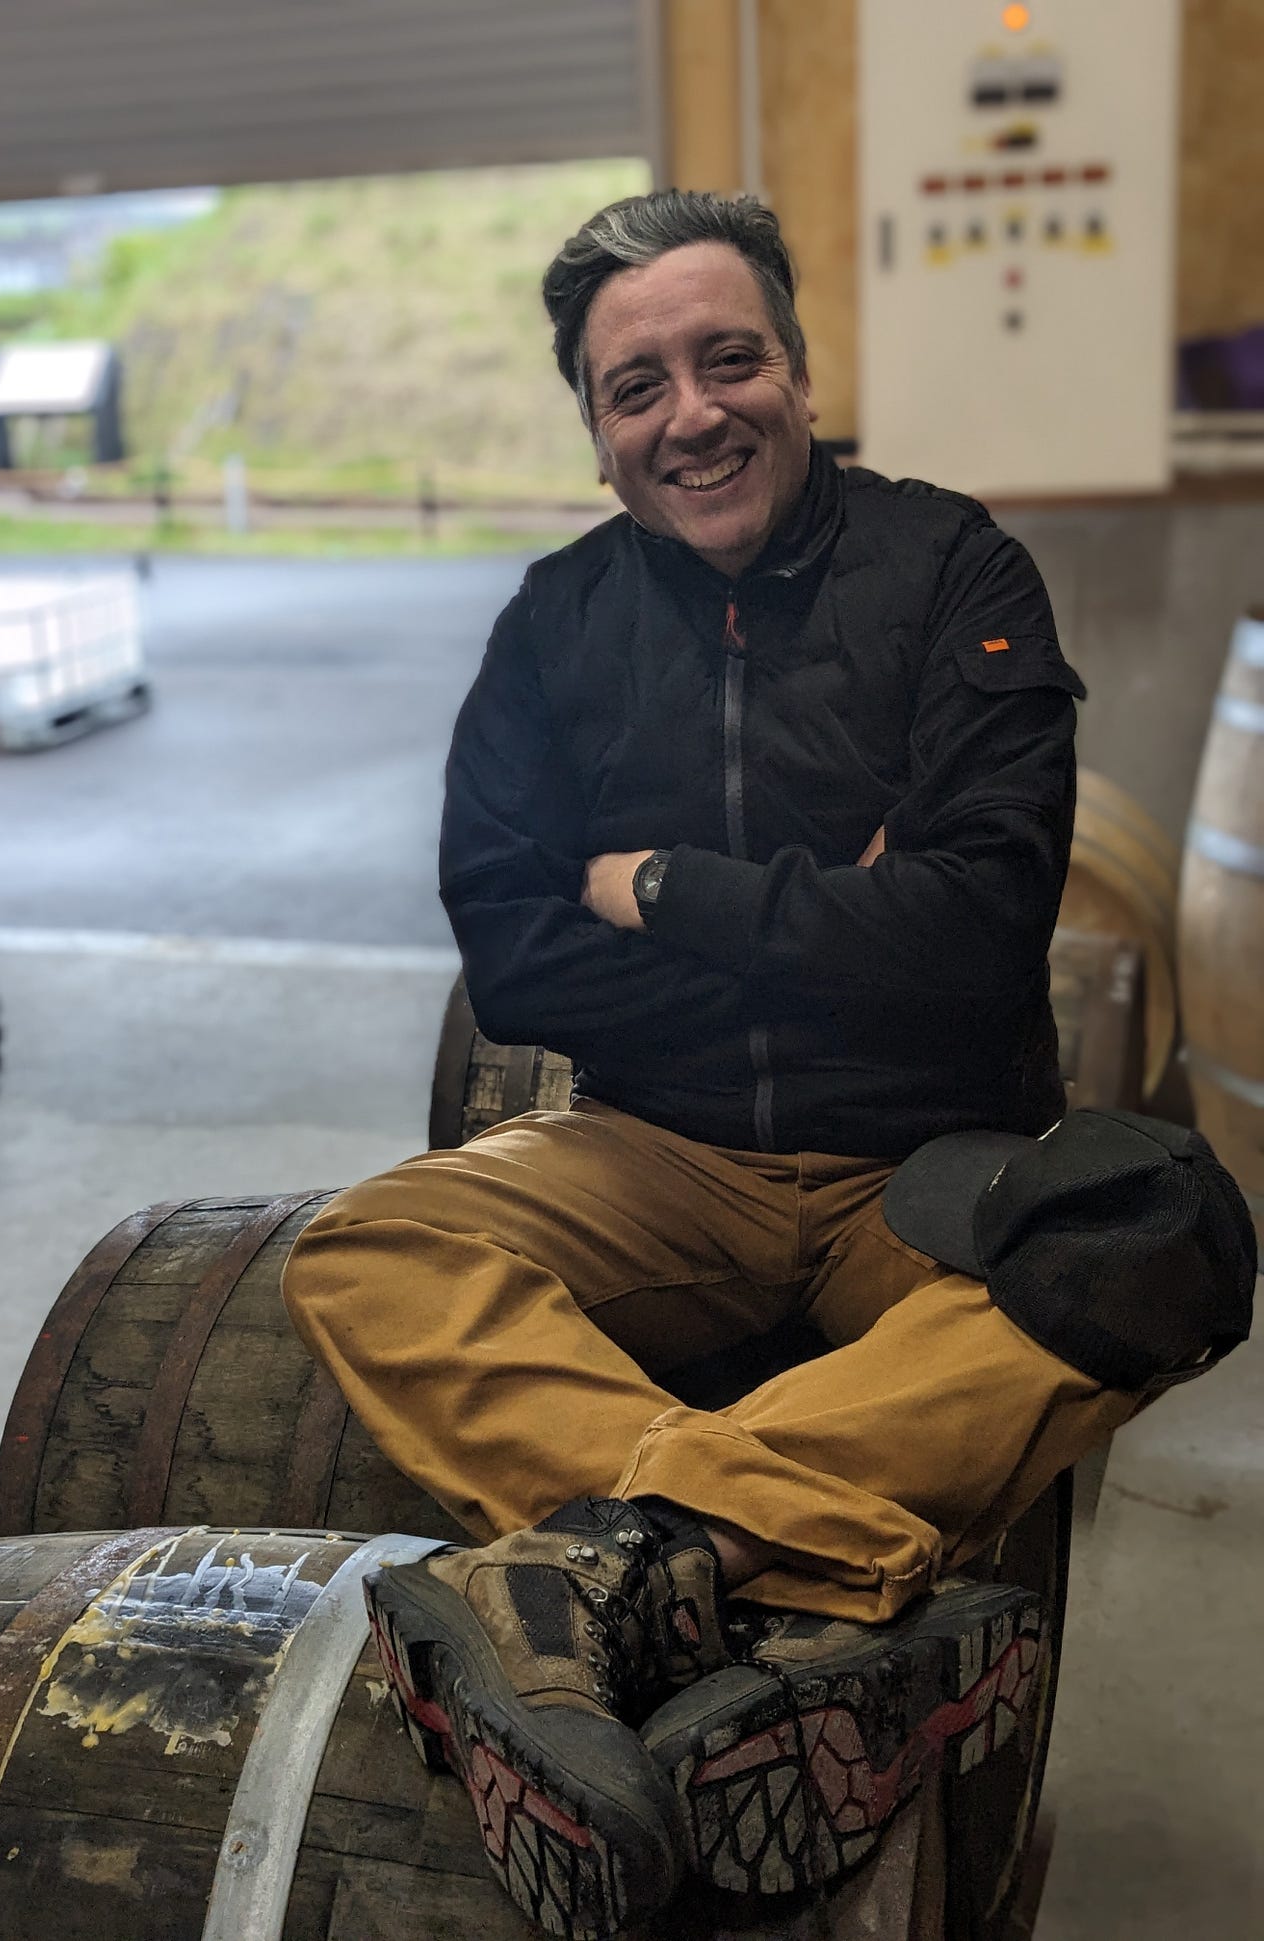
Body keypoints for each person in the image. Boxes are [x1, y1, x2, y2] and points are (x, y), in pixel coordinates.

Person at [281, 191, 1254, 1940]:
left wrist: (663, 891)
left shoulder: (956, 568)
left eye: (730, 359)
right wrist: (839, 934)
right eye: (635, 384)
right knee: (367, 1247)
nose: (692, 411)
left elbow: (976, 928)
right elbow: (514, 953)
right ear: (598, 434)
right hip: (662, 1148)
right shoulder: (553, 628)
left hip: (931, 1161)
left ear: (799, 372)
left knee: (1165, 1226)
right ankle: (756, 1559)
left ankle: (597, 1569)